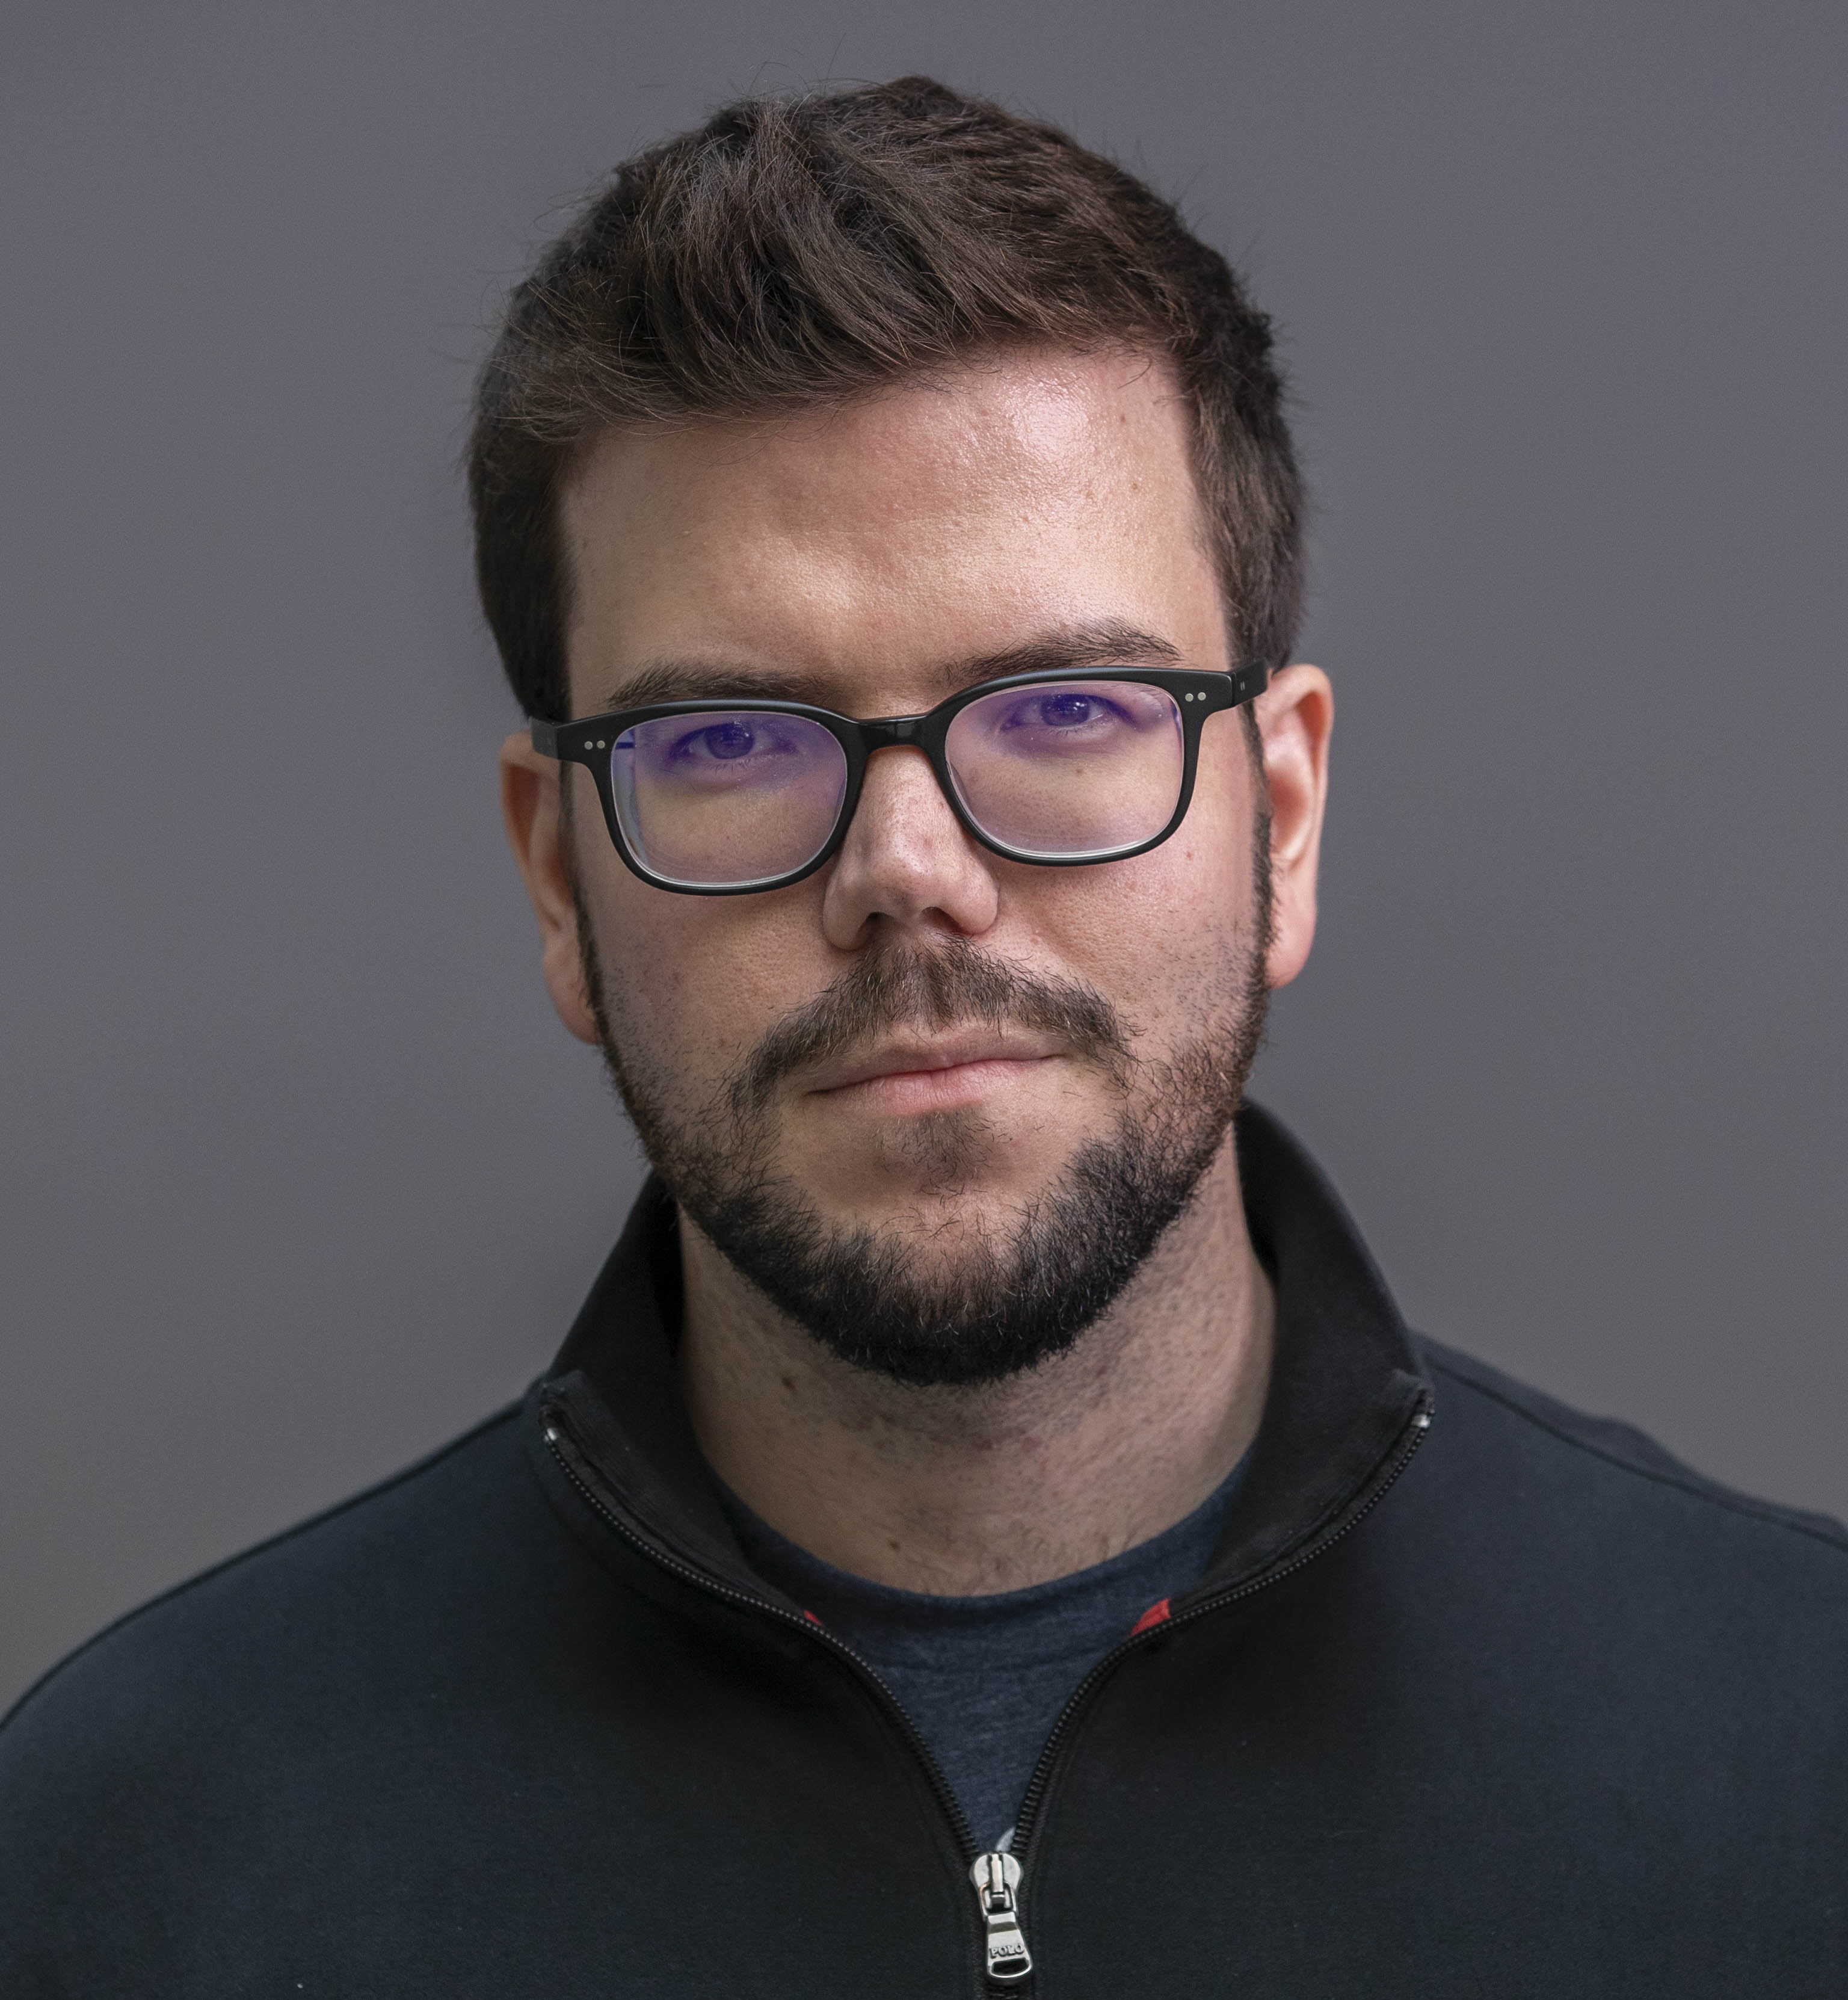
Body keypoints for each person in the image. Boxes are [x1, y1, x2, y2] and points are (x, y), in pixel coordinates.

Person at [2, 75, 1843, 1997]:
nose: (907, 871)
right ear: (558, 876)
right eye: (728, 740)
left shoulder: (1797, 1759)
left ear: (1282, 814)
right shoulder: (131, 1867)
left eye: (1065, 711)